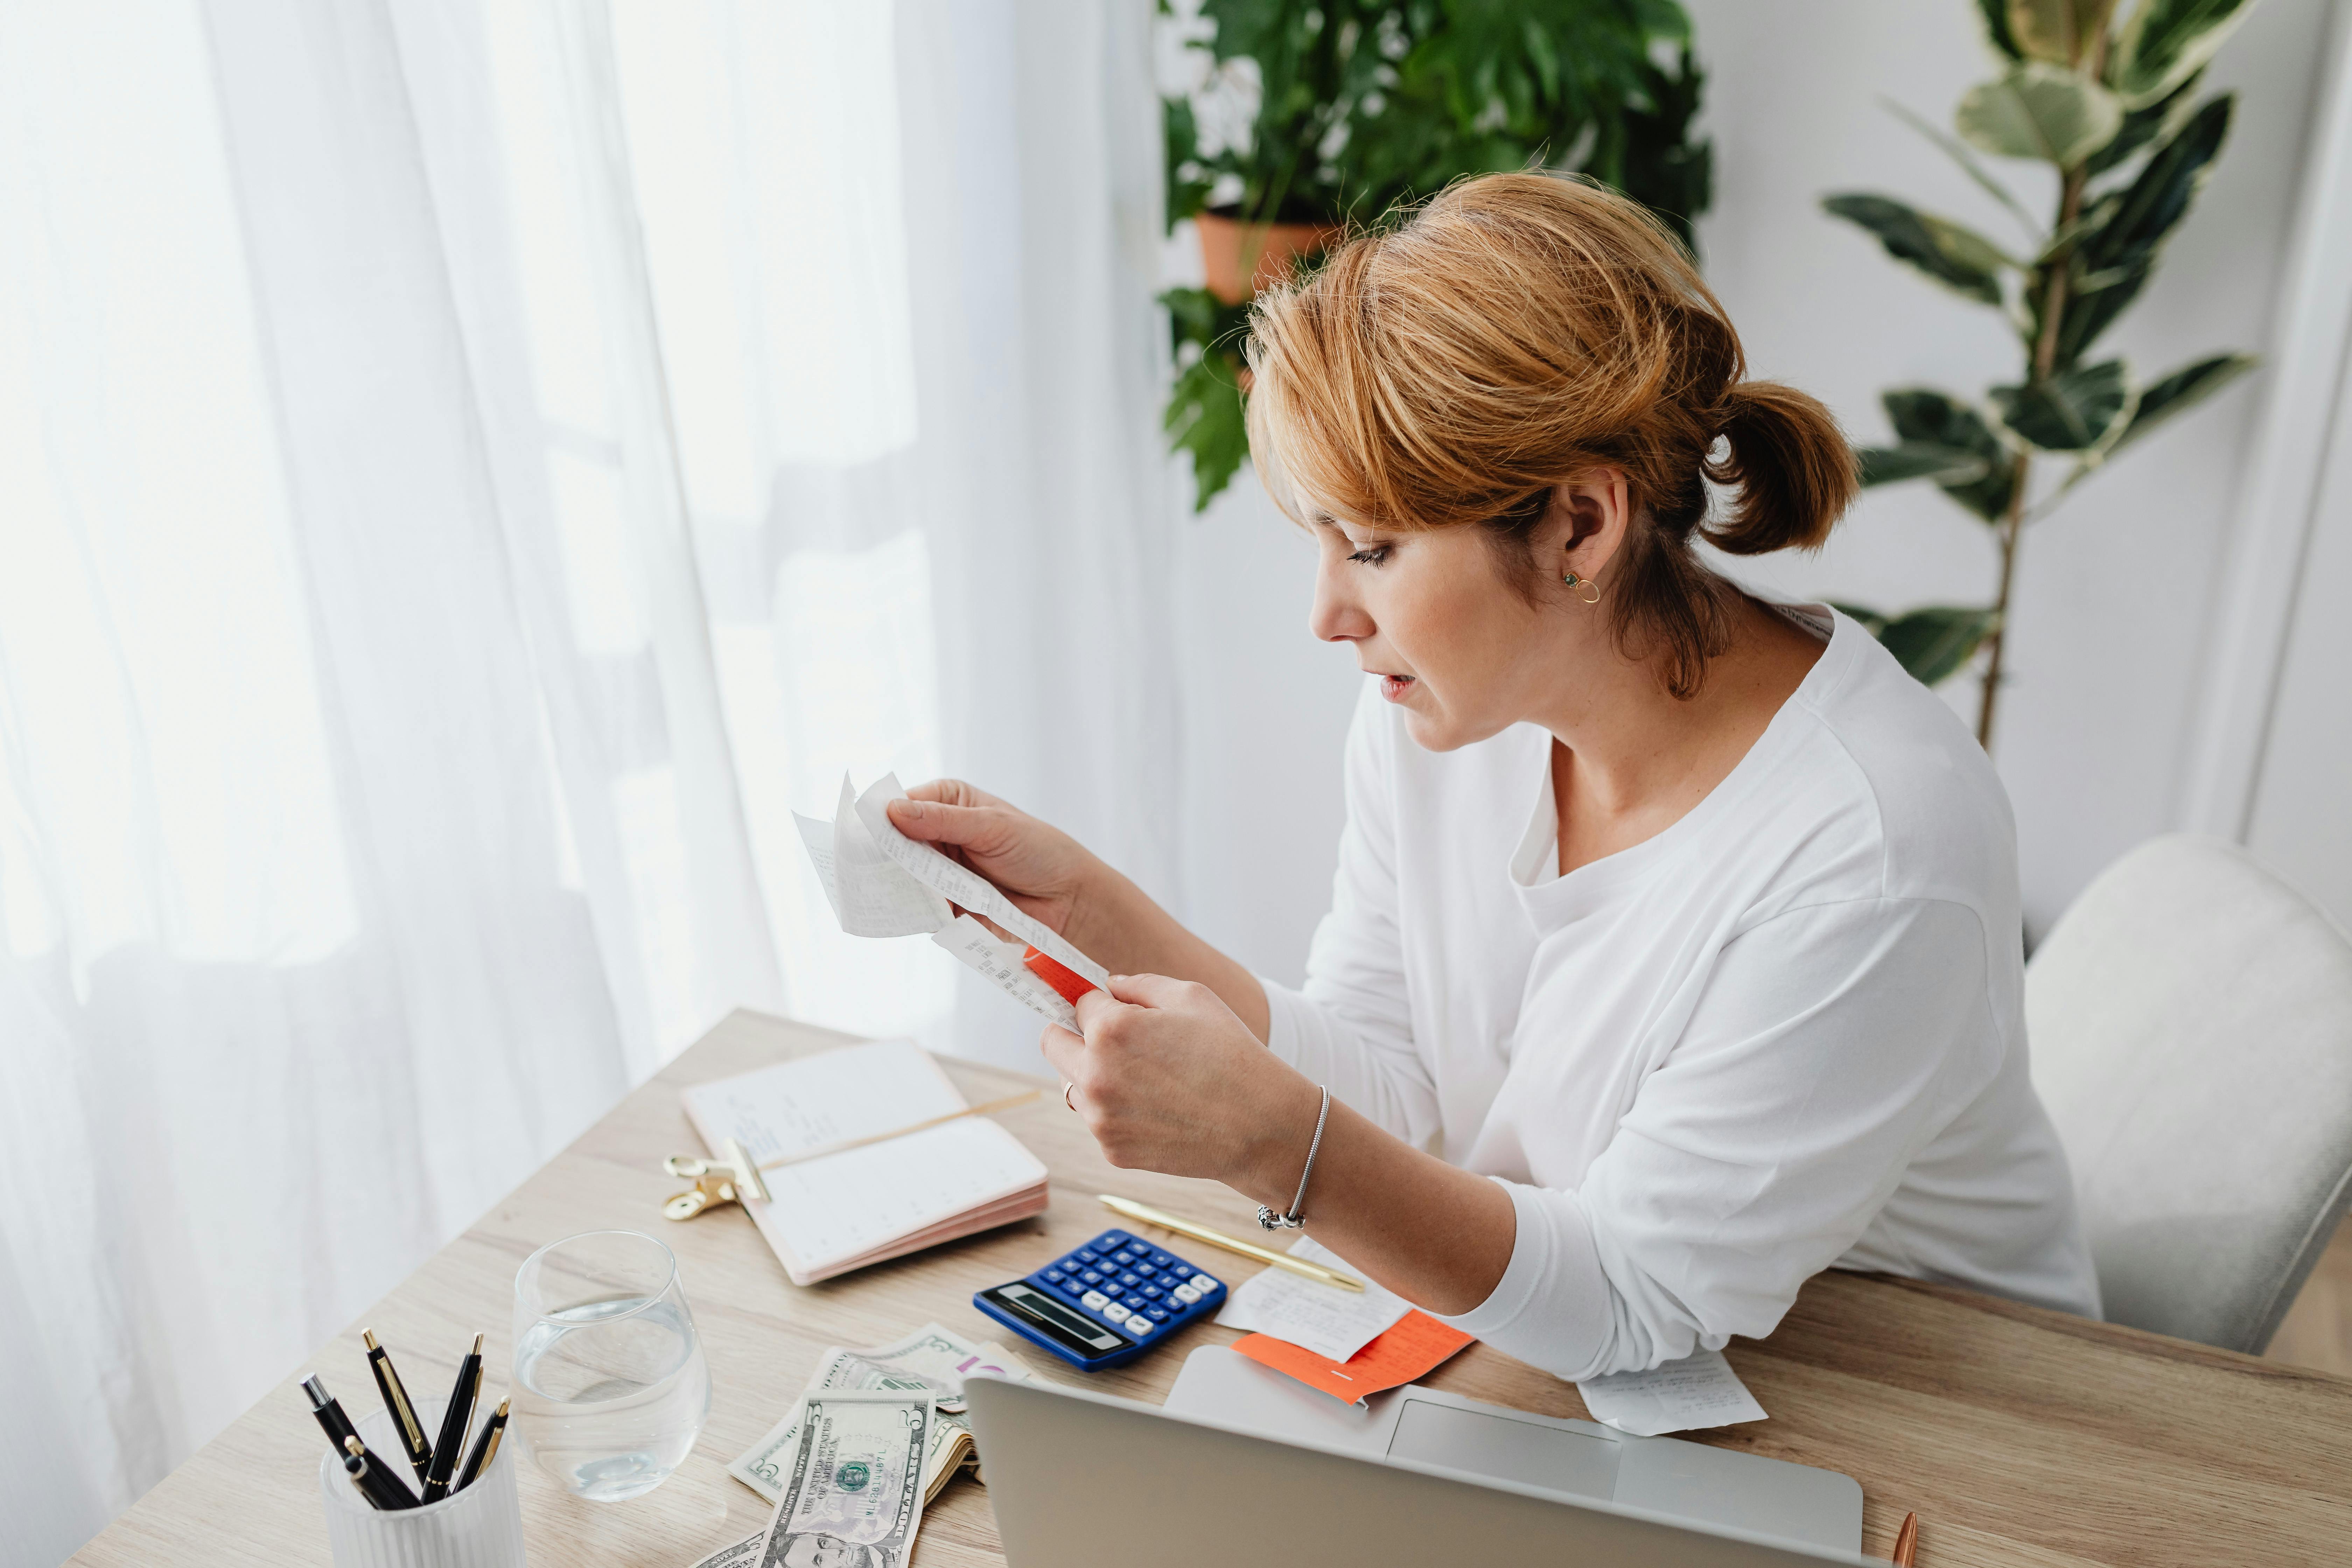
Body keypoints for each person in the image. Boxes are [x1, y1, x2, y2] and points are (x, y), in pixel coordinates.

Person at [887, 172, 2100, 1380]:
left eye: (1371, 548)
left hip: (1934, 1394)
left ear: (1580, 525)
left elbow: (1636, 1299)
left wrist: (1278, 1151)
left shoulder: (1873, 848)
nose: (1327, 616)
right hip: (1651, 1368)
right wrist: (1092, 917)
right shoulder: (1446, 713)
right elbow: (1394, 1086)